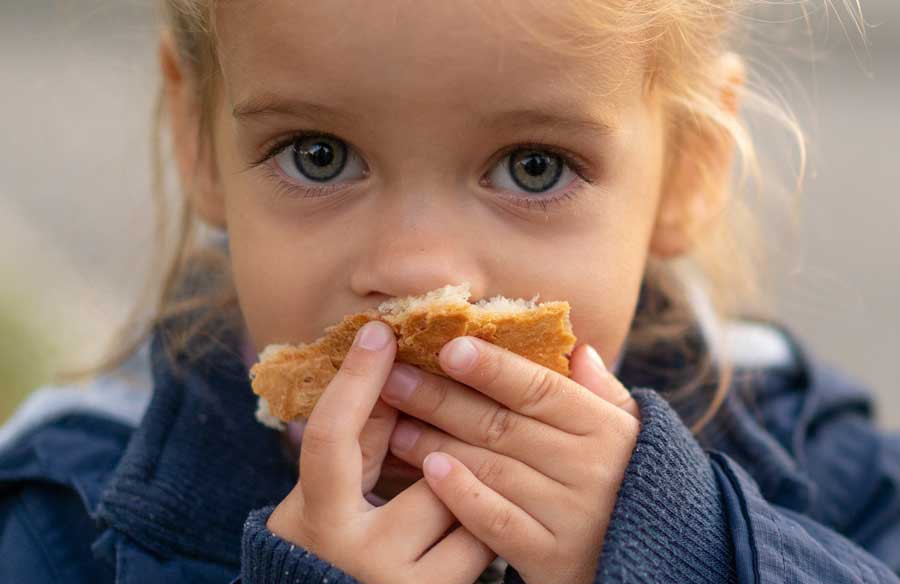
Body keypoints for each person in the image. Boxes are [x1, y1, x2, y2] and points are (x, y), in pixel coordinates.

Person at [1, 1, 897, 582]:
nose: (420, 274)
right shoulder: (65, 516)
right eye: (319, 154)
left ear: (687, 172)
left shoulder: (804, 452)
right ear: (197, 136)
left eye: (533, 166)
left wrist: (691, 555)